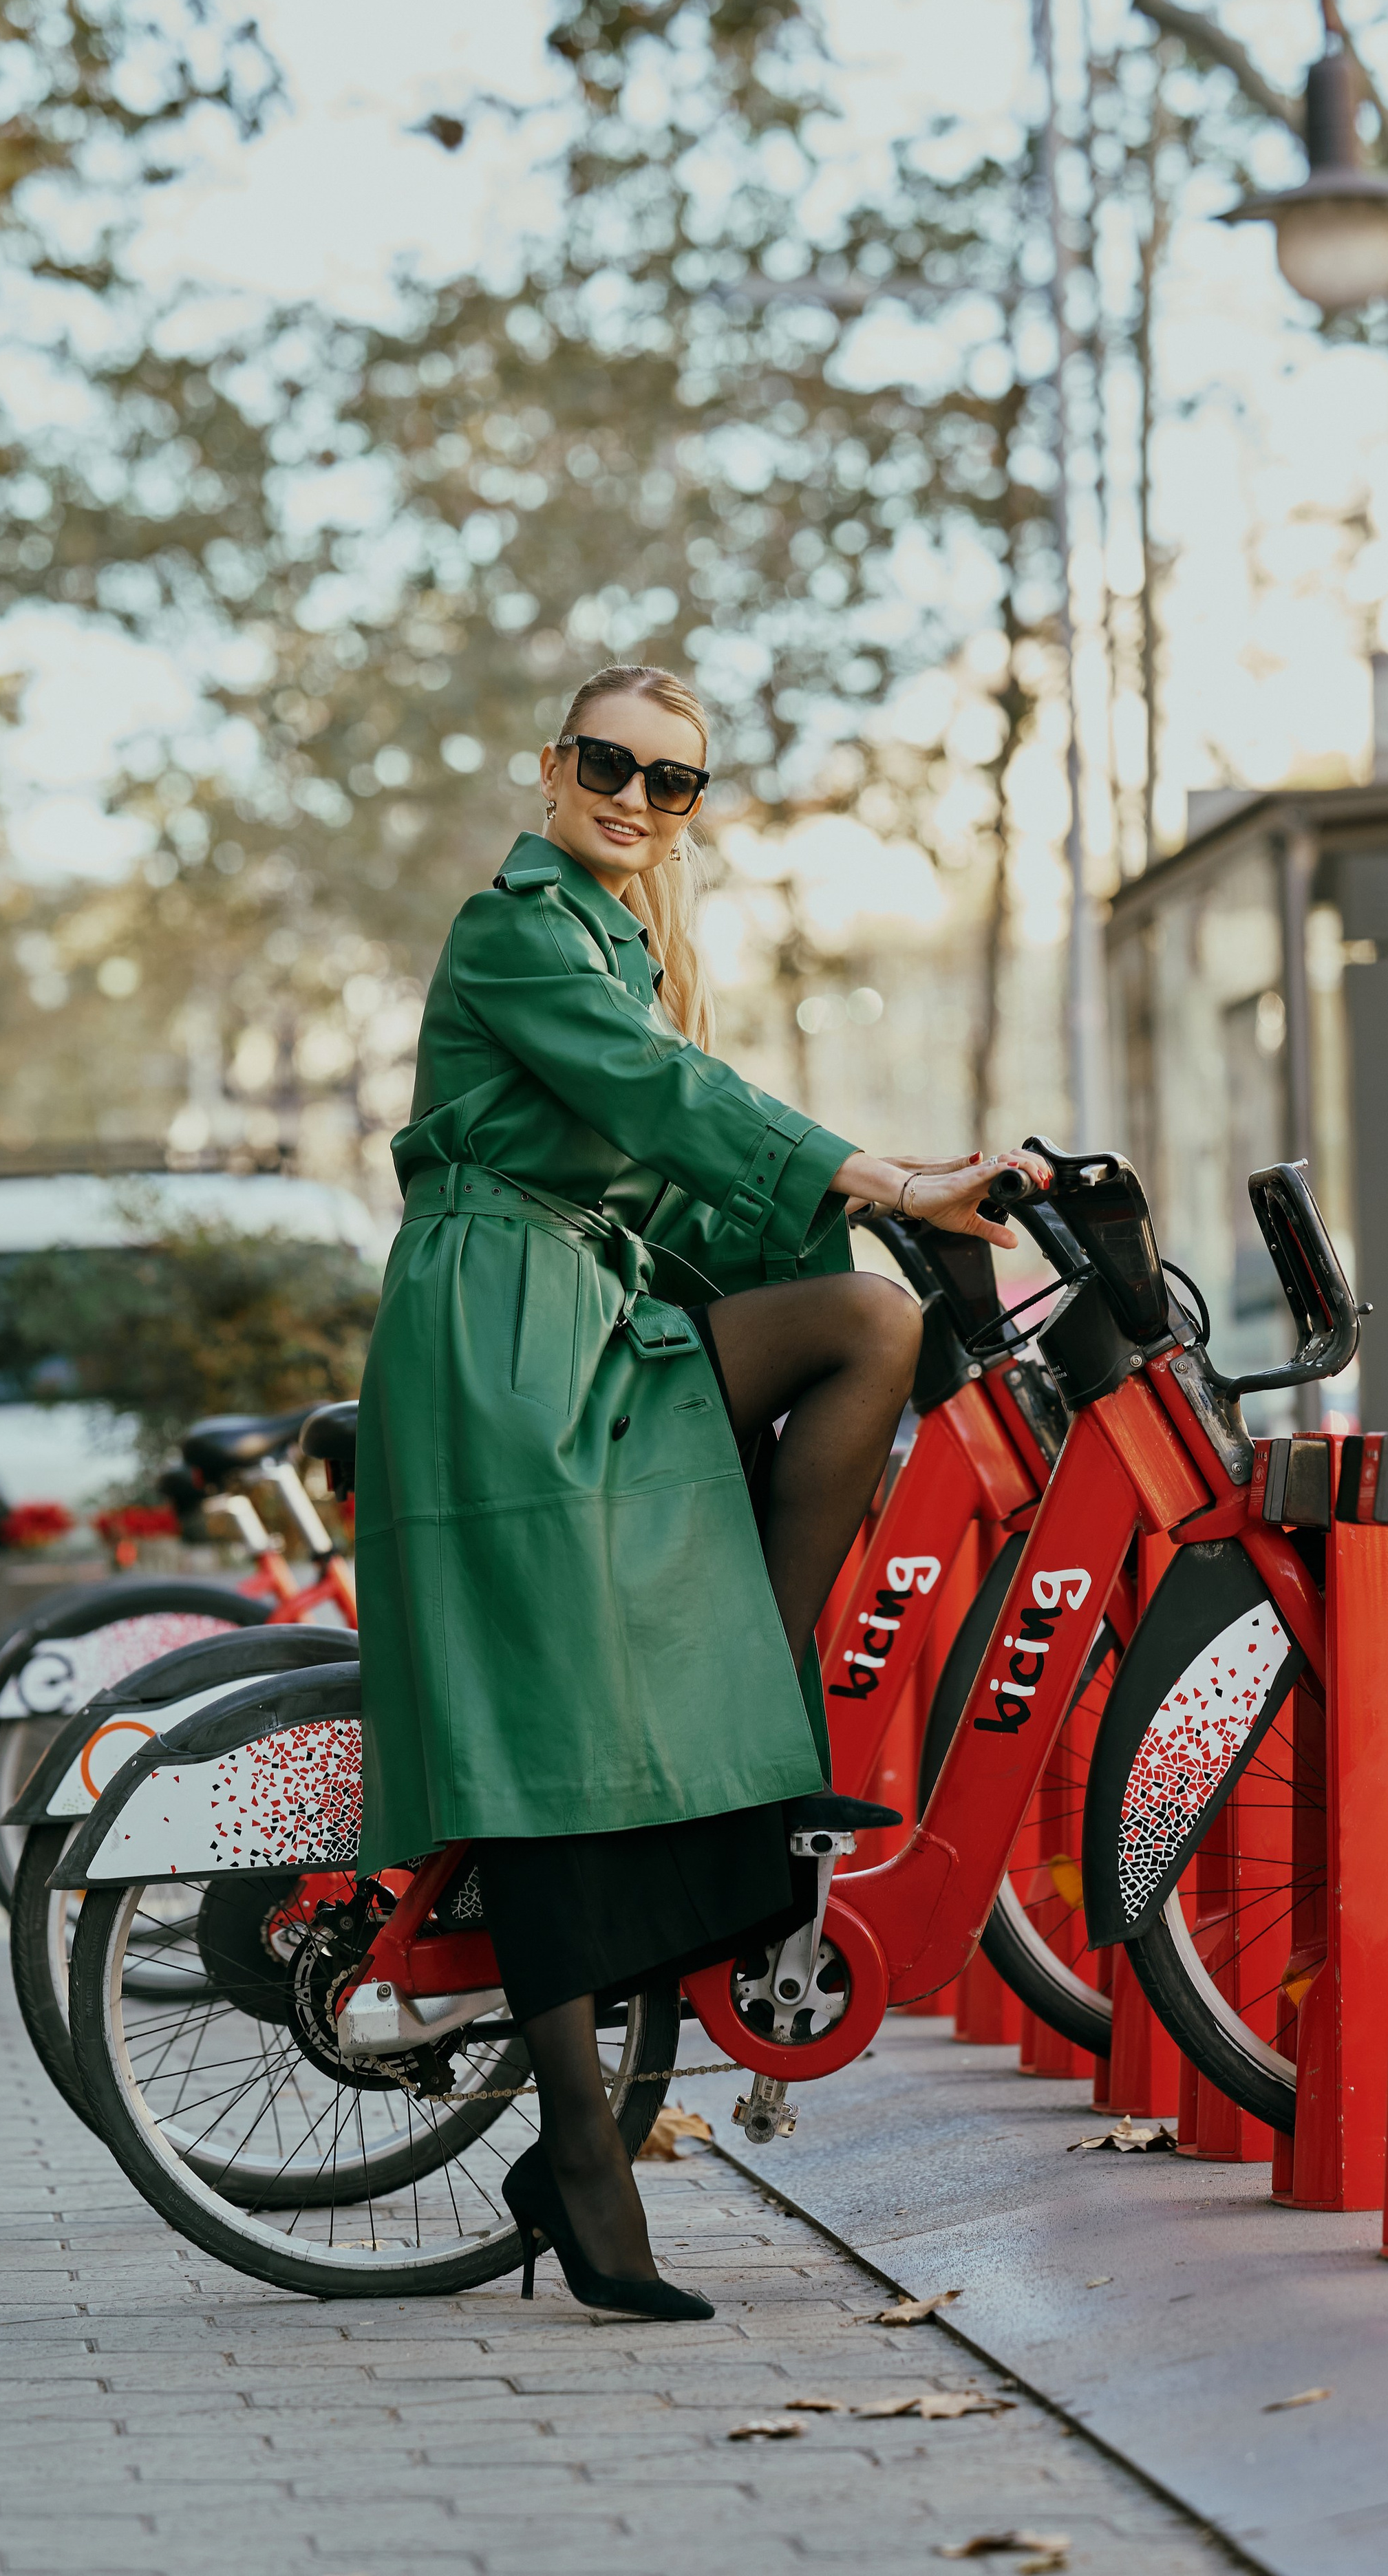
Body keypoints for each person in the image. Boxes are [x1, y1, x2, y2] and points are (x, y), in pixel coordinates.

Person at [355, 661, 1047, 2319]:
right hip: (496, 1342)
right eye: (610, 765)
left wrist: (886, 1208)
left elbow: (680, 1182)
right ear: (552, 766)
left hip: (579, 1317)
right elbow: (667, 1100)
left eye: (671, 782)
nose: (635, 800)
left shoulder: (623, 944)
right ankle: (579, 2157)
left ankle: (738, 1673)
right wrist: (886, 1181)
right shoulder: (516, 929)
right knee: (537, 1742)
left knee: (865, 1324)